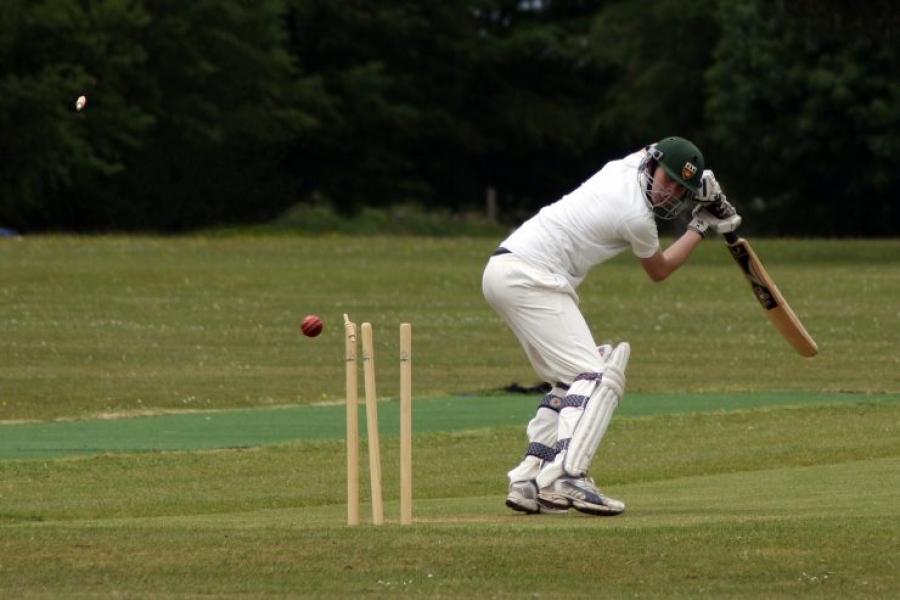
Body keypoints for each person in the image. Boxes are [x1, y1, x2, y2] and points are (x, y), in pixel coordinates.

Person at [481, 136, 741, 516]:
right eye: (667, 180)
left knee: (572, 379)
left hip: (506, 271)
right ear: (653, 165)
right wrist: (701, 225)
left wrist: (701, 179)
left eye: (679, 189)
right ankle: (568, 475)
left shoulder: (625, 165)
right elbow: (659, 270)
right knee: (596, 377)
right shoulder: (636, 216)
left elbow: (656, 145)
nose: (669, 192)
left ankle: (530, 480)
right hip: (530, 277)